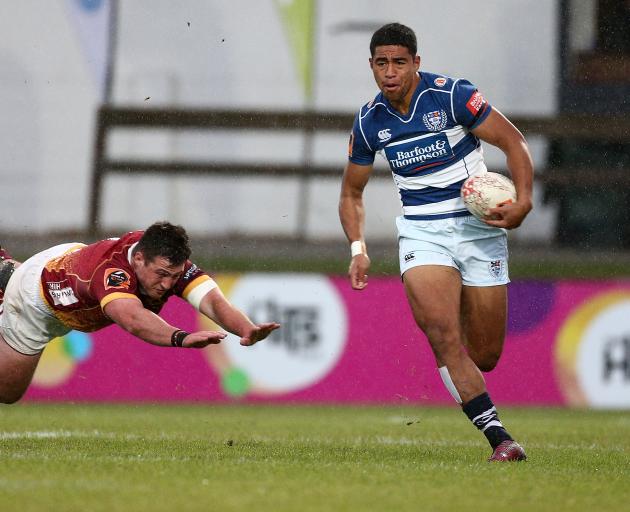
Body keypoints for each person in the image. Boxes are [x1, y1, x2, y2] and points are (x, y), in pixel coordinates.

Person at [339, 23, 533, 462]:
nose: (390, 72)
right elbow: (351, 193)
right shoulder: (370, 122)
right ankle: (500, 439)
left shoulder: (451, 96)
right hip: (422, 233)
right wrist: (358, 248)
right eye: (381, 63)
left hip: (479, 231)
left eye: (399, 62)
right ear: (371, 66)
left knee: (486, 355)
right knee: (442, 336)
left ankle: (458, 303)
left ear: (416, 63)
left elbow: (514, 142)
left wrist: (523, 202)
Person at [0, 221, 280, 404]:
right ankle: (8, 281)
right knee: (7, 393)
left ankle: (6, 271)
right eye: (161, 275)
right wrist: (181, 337)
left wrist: (245, 328)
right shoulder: (113, 272)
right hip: (35, 304)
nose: (168, 284)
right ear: (138, 259)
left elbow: (212, 301)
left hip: (67, 268)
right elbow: (132, 318)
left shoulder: (163, 260)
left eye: (175, 275)